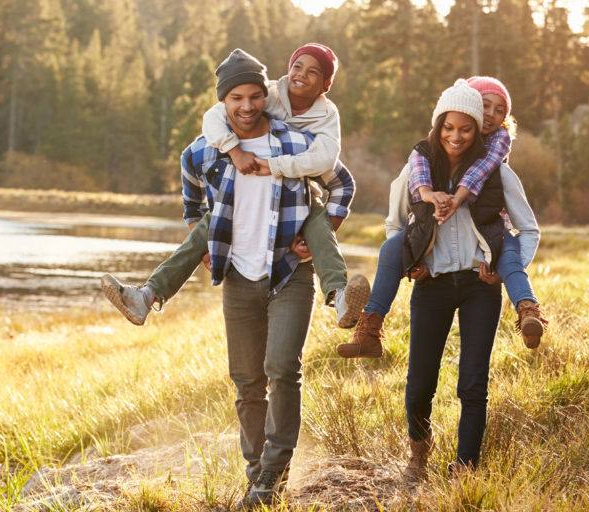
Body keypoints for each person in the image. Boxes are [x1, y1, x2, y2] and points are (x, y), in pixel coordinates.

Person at [160, 49, 355, 507]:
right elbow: (189, 176)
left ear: (264, 99)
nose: (246, 106)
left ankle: (273, 471)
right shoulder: (211, 143)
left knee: (282, 370)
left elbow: (341, 181)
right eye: (235, 98)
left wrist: (328, 226)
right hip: (239, 277)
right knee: (247, 382)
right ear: (224, 102)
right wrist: (196, 228)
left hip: (289, 272)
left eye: (253, 96)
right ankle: (258, 478)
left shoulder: (294, 141)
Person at [100, 44, 369, 330]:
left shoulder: (326, 116)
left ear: (326, 85)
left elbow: (330, 163)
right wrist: (233, 150)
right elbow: (214, 117)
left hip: (300, 194)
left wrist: (320, 231)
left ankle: (340, 296)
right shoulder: (268, 94)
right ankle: (146, 296)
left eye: (313, 72)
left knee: (317, 221)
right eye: (297, 67)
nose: (301, 75)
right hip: (243, 195)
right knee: (209, 223)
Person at [386, 80, 540, 479]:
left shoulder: (498, 174)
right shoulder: (418, 169)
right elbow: (393, 224)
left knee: (473, 383)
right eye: (450, 127)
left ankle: (466, 467)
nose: (457, 135)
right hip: (432, 284)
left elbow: (529, 230)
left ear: (477, 128)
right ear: (441, 125)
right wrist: (409, 262)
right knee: (420, 381)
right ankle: (419, 453)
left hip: (479, 286)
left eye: (468, 126)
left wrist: (504, 270)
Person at [337, 76, 547, 359]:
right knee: (390, 249)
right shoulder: (425, 154)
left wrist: (457, 198)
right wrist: (413, 256)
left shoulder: (496, 154)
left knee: (509, 253)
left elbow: (483, 172)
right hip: (432, 261)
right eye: (485, 106)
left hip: (489, 240)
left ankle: (528, 309)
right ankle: (370, 326)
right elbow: (404, 201)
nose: (492, 115)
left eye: (500, 110)